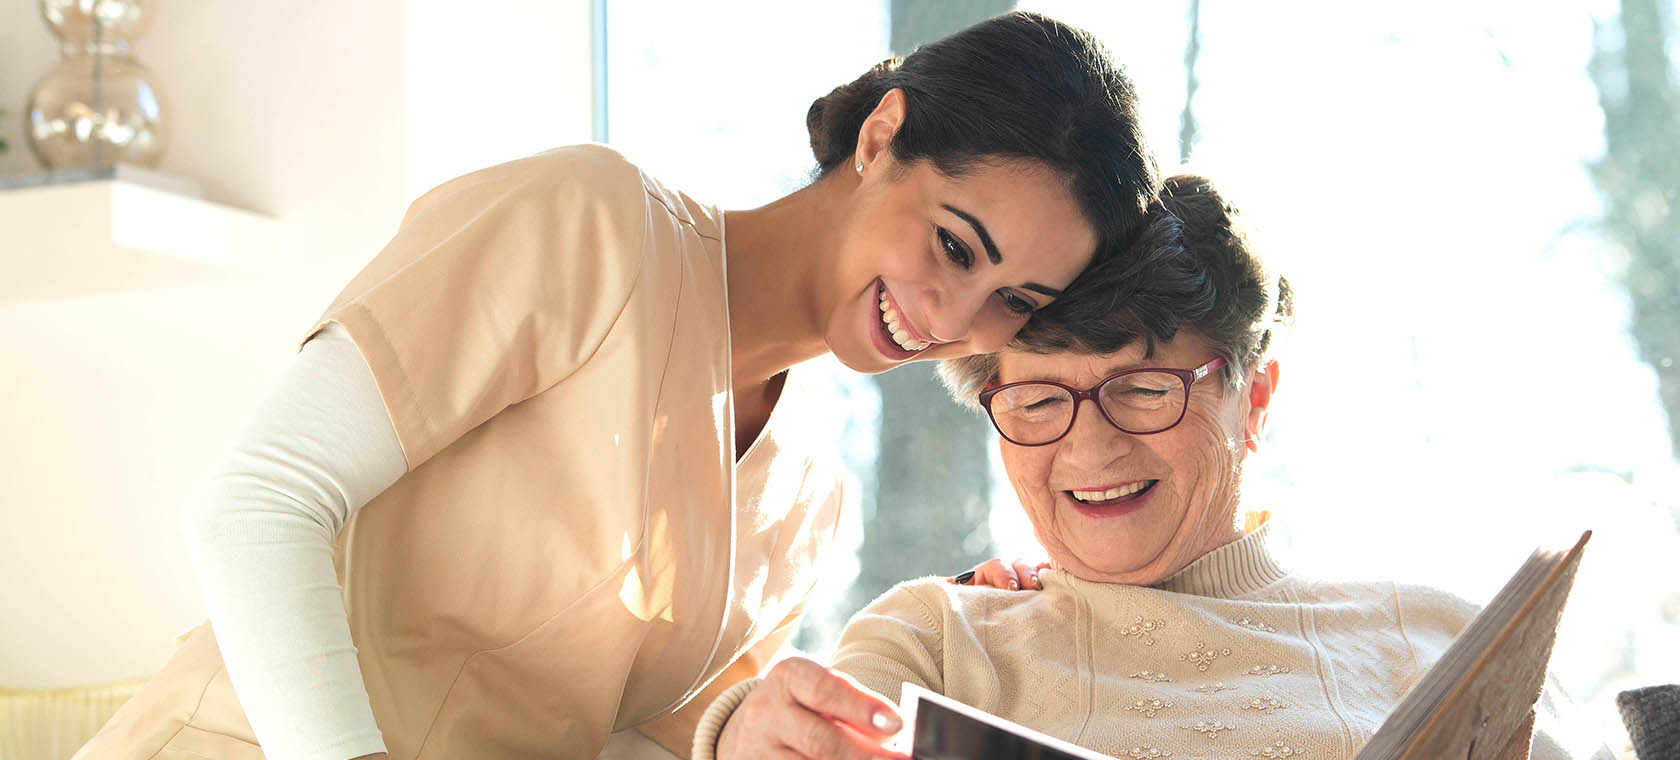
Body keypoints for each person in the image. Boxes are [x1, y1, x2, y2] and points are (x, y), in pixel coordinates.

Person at [73, 11, 1163, 760]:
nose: (955, 318)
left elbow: (622, 742)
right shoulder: (592, 224)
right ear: (884, 136)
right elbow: (254, 504)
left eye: (1015, 303)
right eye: (957, 246)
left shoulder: (809, 505)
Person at [699, 174, 1612, 760]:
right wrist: (737, 740)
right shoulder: (938, 637)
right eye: (1038, 401)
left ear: (1253, 400)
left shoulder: (1448, 641)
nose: (1090, 451)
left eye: (1142, 389)